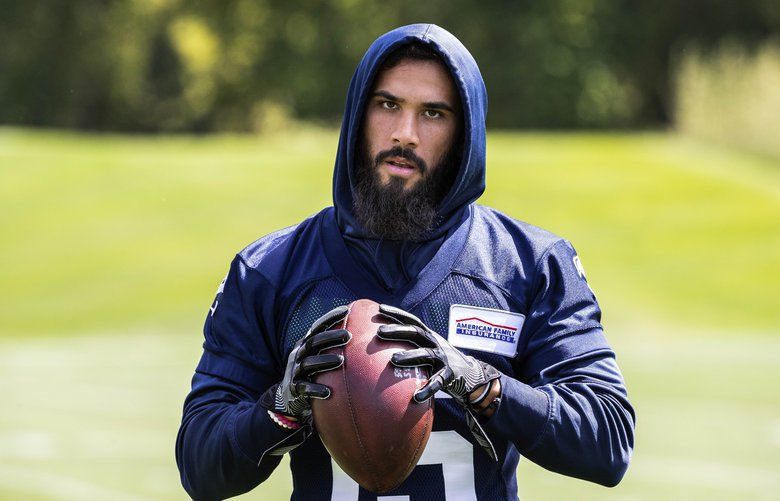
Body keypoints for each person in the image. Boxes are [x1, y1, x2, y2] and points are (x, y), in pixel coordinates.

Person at [176, 23, 635, 500]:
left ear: (465, 133)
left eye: (433, 113)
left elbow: (608, 440)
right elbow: (199, 465)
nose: (405, 134)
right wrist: (280, 409)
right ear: (358, 113)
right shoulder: (271, 271)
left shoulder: (528, 265)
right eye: (388, 104)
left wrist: (486, 387)